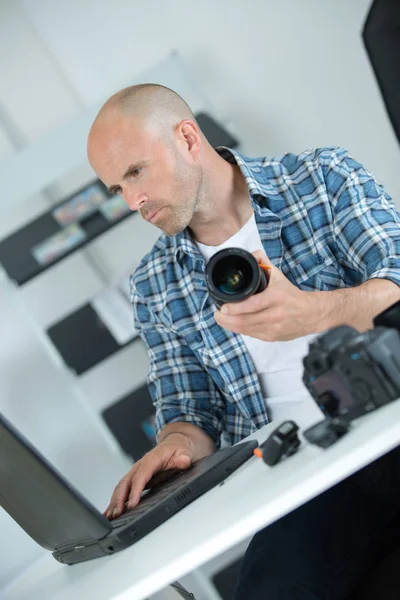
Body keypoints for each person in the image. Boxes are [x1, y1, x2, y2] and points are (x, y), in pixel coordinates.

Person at [87, 84, 400, 599]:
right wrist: (175, 446)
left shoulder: (322, 178)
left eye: (135, 172)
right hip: (304, 472)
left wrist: (315, 312)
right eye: (116, 188)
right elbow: (192, 411)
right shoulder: (153, 286)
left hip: (387, 421)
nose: (132, 202)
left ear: (187, 138)